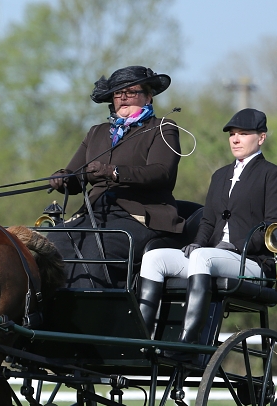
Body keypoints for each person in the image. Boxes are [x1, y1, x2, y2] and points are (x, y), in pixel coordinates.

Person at [138, 108, 277, 349]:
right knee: (155, 258)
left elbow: (273, 228)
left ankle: (190, 342)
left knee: (202, 256)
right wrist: (198, 242)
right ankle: (141, 340)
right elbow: (208, 221)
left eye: (243, 134)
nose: (235, 139)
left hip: (252, 262)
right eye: (232, 134)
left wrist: (237, 246)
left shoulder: (272, 175)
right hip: (210, 257)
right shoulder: (219, 176)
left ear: (261, 138)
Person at [48, 65, 185, 289]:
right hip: (94, 213)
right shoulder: (97, 132)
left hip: (139, 215)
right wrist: (61, 178)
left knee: (96, 247)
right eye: (118, 93)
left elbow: (163, 173)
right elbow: (74, 178)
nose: (123, 98)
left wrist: (113, 171)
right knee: (50, 244)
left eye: (131, 92)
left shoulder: (163, 128)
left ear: (148, 97)